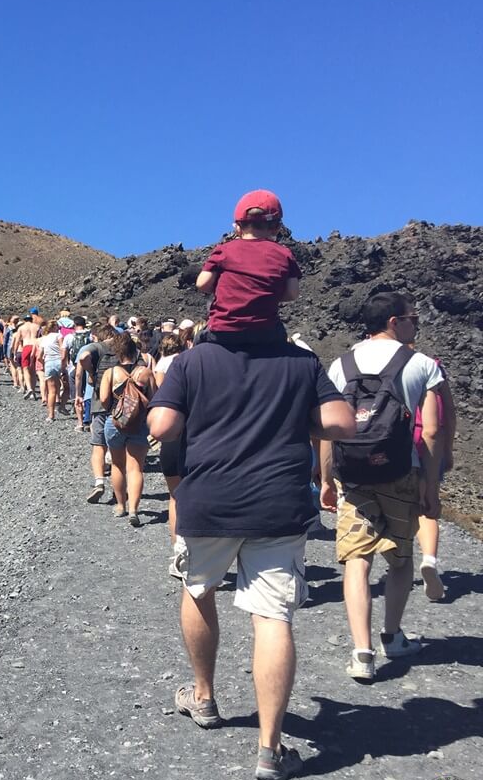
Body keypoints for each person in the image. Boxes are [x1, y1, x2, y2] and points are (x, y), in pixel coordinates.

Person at [149, 334, 355, 780]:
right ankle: (270, 749)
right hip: (278, 504)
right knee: (273, 617)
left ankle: (203, 697)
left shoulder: (192, 361)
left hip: (209, 500)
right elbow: (342, 423)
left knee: (199, 589)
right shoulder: (301, 362)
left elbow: (162, 427)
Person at [319, 292, 446, 683]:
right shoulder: (421, 364)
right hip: (400, 472)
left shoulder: (340, 365)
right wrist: (431, 482)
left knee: (357, 559)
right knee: (401, 557)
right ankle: (391, 635)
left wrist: (325, 479)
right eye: (412, 318)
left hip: (353, 476)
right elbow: (434, 430)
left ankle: (362, 652)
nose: (415, 325)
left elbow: (328, 427)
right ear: (394, 321)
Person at [195, 189, 301, 345]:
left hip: (223, 331)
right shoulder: (284, 254)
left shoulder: (224, 250)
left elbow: (202, 283)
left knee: (198, 341)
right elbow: (292, 293)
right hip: (266, 332)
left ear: (237, 227)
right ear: (277, 227)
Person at [100, 331, 154, 524]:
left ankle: (121, 506)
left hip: (115, 423)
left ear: (118, 353)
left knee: (117, 465)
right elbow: (154, 399)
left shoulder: (111, 373)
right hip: (139, 424)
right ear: (135, 351)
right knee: (136, 467)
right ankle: (134, 510)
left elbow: (104, 400)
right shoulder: (146, 373)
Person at [414, 357, 456, 601]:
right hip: (430, 443)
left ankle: (396, 564)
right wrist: (448, 449)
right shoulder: (433, 366)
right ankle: (429, 559)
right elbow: (448, 412)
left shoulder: (383, 362)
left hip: (399, 441)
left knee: (399, 503)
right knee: (427, 505)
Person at [153, 332, 188, 550]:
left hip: (171, 428)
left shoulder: (161, 365)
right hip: (192, 432)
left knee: (175, 496)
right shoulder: (190, 362)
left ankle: (178, 550)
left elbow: (161, 395)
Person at [78, 323, 117, 502]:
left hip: (100, 402)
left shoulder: (98, 347)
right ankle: (120, 488)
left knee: (98, 444)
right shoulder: (124, 347)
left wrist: (91, 372)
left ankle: (99, 482)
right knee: (119, 447)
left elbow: (84, 357)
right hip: (121, 404)